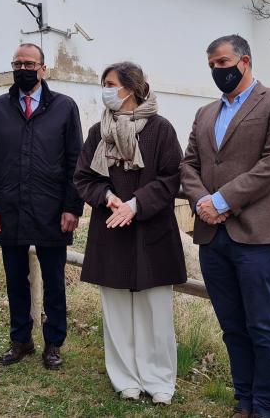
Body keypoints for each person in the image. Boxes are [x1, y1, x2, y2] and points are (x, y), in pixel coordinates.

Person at [180, 34, 270, 418]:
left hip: (256, 233)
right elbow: (188, 164)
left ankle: (268, 407)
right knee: (231, 325)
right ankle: (244, 401)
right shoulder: (204, 114)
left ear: (244, 61)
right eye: (212, 65)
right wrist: (203, 201)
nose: (217, 70)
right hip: (212, 235)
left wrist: (221, 201)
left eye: (222, 63)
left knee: (262, 326)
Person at [73, 62, 186, 405]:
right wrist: (108, 198)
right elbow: (83, 177)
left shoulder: (161, 129)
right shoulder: (98, 131)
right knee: (117, 312)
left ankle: (160, 381)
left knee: (156, 313)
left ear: (132, 88)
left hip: (152, 229)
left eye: (110, 84)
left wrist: (135, 205)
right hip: (111, 229)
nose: (106, 89)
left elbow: (171, 177)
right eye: (104, 83)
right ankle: (126, 379)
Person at [0, 43, 84, 370]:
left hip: (52, 211)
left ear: (43, 68)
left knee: (54, 280)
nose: (23, 69)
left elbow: (75, 162)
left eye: (29, 63)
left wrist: (73, 207)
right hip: (9, 209)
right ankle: (20, 340)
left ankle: (53, 343)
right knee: (15, 280)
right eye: (17, 63)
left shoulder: (65, 107)